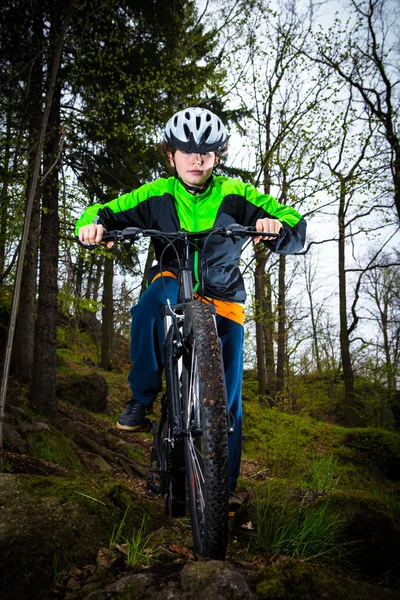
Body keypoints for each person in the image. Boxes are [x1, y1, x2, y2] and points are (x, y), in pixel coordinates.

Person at [76, 106, 306, 504]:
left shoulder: (237, 194)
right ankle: (142, 396)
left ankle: (222, 492)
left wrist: (277, 228)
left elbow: (293, 223)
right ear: (171, 155)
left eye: (206, 152)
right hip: (172, 282)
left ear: (218, 156)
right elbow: (104, 211)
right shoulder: (157, 193)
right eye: (186, 151)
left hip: (224, 299)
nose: (196, 160)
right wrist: (92, 226)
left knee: (228, 404)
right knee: (147, 308)